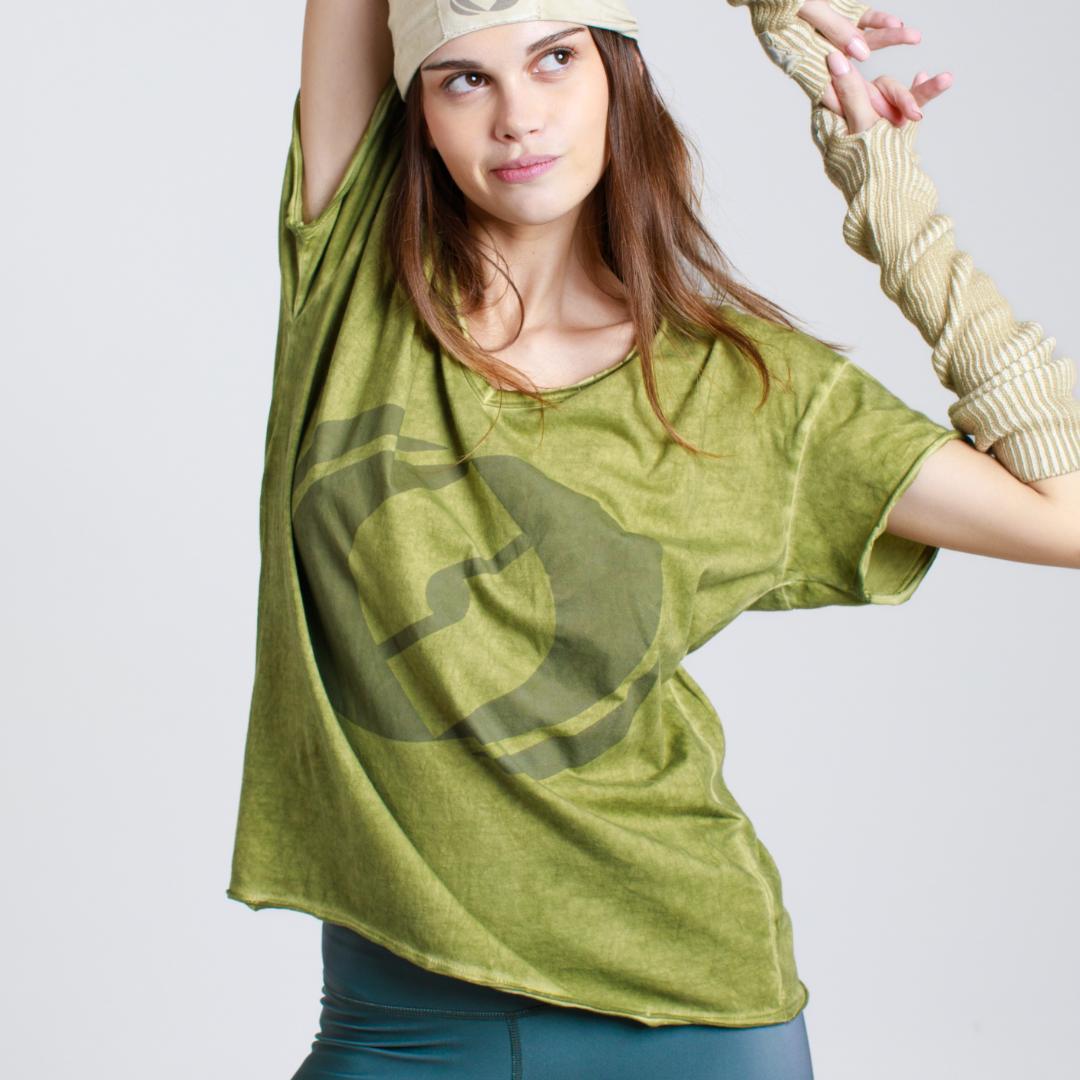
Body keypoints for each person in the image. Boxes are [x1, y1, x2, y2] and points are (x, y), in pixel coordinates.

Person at [225, 1, 1080, 1076]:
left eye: (554, 58)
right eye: (465, 80)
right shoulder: (354, 276)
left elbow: (1065, 514)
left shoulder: (749, 390)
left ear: (616, 76)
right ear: (422, 117)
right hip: (397, 1020)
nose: (516, 117)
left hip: (685, 1015)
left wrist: (891, 201)